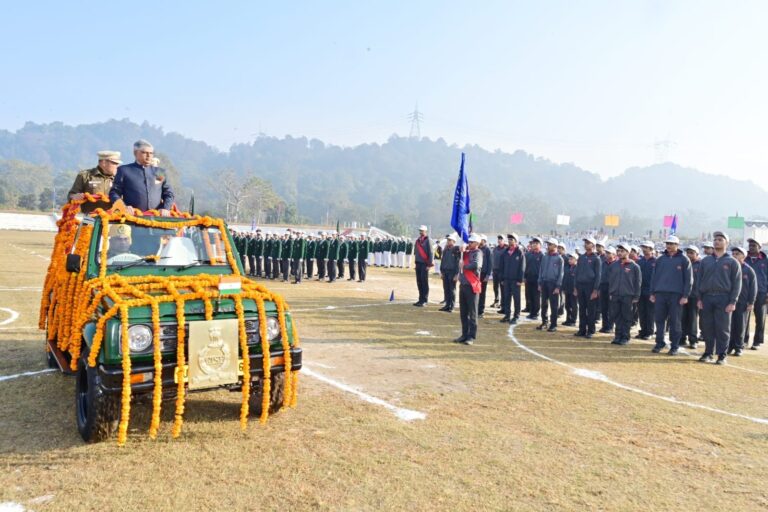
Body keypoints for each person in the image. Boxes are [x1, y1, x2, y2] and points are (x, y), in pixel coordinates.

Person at [696, 232, 741, 365]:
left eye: (720, 240)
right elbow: (699, 281)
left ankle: (722, 355)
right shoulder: (706, 261)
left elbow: (737, 284)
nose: (716, 242)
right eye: (715, 239)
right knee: (707, 327)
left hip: (724, 298)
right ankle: (708, 352)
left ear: (726, 242)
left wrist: (733, 301)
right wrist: (699, 298)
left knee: (723, 328)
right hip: (707, 297)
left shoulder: (732, 262)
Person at [650, 235, 693, 355]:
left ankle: (674, 345)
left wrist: (685, 295)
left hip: (676, 295)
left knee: (675, 321)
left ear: (677, 245)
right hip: (660, 294)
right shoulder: (660, 259)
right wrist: (652, 292)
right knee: (659, 320)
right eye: (667, 243)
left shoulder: (684, 260)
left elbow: (688, 279)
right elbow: (654, 277)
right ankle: (659, 342)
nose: (668, 246)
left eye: (671, 243)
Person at [109, 140, 174, 214]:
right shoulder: (124, 170)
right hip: (132, 217)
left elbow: (168, 193)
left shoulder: (159, 172)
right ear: (135, 153)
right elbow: (114, 193)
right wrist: (123, 206)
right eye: (144, 152)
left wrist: (165, 208)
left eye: (151, 153)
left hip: (157, 217)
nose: (149, 156)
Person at [608, 243, 642, 345]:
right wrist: (611, 292)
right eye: (618, 251)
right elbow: (611, 280)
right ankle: (617, 336)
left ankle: (625, 337)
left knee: (627, 317)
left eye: (622, 251)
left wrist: (636, 296)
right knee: (616, 316)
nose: (619, 253)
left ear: (627, 252)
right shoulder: (614, 265)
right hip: (615, 295)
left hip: (628, 296)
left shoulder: (635, 267)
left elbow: (638, 283)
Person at [455, 234, 483, 345]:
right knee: (463, 312)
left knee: (472, 313)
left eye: (471, 242)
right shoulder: (465, 253)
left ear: (477, 243)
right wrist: (459, 248)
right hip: (464, 284)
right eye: (469, 242)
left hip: (472, 285)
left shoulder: (478, 253)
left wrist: (464, 266)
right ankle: (464, 334)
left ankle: (471, 336)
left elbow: (476, 265)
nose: (469, 243)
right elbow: (453, 251)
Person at [729, 246, 756, 356]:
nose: (735, 255)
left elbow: (753, 288)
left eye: (737, 254)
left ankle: (738, 347)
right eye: (734, 253)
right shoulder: (729, 268)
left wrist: (751, 302)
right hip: (730, 301)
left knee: (740, 325)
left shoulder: (749, 270)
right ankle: (729, 346)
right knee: (729, 325)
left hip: (742, 302)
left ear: (744, 256)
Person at [574, 237, 601, 339]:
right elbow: (577, 273)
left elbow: (598, 275)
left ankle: (591, 330)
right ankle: (582, 329)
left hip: (590, 287)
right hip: (580, 286)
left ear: (593, 245)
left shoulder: (596, 259)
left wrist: (595, 290)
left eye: (588, 243)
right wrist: (575, 286)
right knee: (582, 308)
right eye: (585, 243)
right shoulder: (581, 258)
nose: (586, 244)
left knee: (591, 310)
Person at [743, 238, 767, 350]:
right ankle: (743, 339)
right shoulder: (744, 259)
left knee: (760, 317)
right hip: (745, 292)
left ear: (759, 247)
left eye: (754, 245)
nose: (751, 247)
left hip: (761, 292)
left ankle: (757, 341)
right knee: (744, 317)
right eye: (750, 245)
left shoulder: (765, 261)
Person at [537, 238, 564, 332]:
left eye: (550, 244)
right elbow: (541, 270)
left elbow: (561, 274)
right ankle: (544, 322)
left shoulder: (559, 259)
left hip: (553, 284)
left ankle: (553, 324)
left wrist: (558, 286)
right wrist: (539, 282)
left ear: (555, 246)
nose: (548, 246)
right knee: (543, 304)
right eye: (548, 244)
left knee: (554, 305)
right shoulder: (545, 257)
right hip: (544, 282)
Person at [499, 233, 525, 324]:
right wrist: (501, 279)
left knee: (516, 299)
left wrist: (520, 280)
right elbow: (501, 266)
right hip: (506, 279)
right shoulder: (505, 252)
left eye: (512, 239)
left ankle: (516, 316)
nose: (510, 241)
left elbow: (522, 268)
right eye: (509, 239)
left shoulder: (519, 252)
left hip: (515, 280)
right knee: (506, 298)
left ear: (516, 241)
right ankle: (507, 315)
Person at [681, 245, 702, 348]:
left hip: (694, 296)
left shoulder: (701, 265)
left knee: (692, 318)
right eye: (688, 252)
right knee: (682, 317)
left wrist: (700, 296)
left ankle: (693, 340)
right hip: (683, 295)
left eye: (691, 253)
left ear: (697, 254)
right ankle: (682, 338)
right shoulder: (684, 263)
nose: (689, 255)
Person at [636, 241, 656, 340]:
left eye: (646, 247)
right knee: (641, 312)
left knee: (650, 312)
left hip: (651, 291)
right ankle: (643, 330)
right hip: (640, 291)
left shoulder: (656, 262)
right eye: (643, 247)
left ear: (651, 249)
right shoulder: (640, 261)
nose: (644, 249)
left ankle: (650, 331)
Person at [598, 247, 617, 334]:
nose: (607, 254)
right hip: (603, 286)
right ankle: (604, 326)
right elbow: (600, 276)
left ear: (614, 255)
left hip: (612, 288)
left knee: (611, 309)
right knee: (603, 308)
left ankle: (610, 326)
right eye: (606, 253)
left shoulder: (616, 264)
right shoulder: (603, 263)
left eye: (609, 253)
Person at [413, 225, 433, 306]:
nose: (421, 232)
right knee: (419, 282)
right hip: (418, 263)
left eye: (422, 231)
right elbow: (416, 253)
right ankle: (420, 299)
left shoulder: (428, 240)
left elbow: (431, 253)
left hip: (424, 264)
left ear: (425, 231)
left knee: (424, 282)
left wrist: (429, 264)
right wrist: (415, 263)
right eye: (420, 230)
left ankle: (424, 299)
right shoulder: (418, 241)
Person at [440, 234, 460, 312]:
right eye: (447, 240)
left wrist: (457, 274)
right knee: (446, 289)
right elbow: (442, 261)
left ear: (454, 241)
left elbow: (458, 262)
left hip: (452, 272)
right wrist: (441, 271)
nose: (448, 241)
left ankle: (452, 306)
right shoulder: (445, 250)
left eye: (449, 240)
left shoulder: (456, 250)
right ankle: (447, 305)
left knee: (452, 290)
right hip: (445, 271)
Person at [524, 237, 543, 320]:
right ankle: (531, 312)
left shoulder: (542, 256)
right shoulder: (528, 254)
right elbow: (525, 267)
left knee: (536, 297)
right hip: (529, 278)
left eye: (536, 243)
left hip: (537, 279)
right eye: (533, 243)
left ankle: (536, 313)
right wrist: (524, 277)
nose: (534, 245)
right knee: (529, 296)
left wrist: (541, 281)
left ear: (540, 245)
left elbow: (543, 269)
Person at [477, 235, 492, 318]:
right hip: (477, 274)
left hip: (483, 274)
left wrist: (488, 275)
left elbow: (490, 263)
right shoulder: (477, 249)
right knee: (476, 292)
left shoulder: (487, 250)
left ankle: (481, 311)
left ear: (484, 241)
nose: (480, 241)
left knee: (482, 293)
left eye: (481, 240)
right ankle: (476, 309)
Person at [562, 253, 578, 326]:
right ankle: (568, 319)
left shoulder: (578, 268)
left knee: (573, 305)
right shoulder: (567, 267)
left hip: (574, 290)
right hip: (567, 289)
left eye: (572, 259)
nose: (569, 260)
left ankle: (573, 320)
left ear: (576, 260)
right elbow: (564, 278)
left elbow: (577, 280)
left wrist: (576, 289)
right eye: (569, 259)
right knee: (567, 305)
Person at [491, 235, 507, 308]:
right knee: (495, 287)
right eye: (498, 239)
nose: (499, 240)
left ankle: (503, 303)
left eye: (501, 239)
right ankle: (496, 301)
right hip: (495, 270)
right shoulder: (495, 249)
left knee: (502, 287)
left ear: (504, 240)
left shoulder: (506, 249)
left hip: (502, 271)